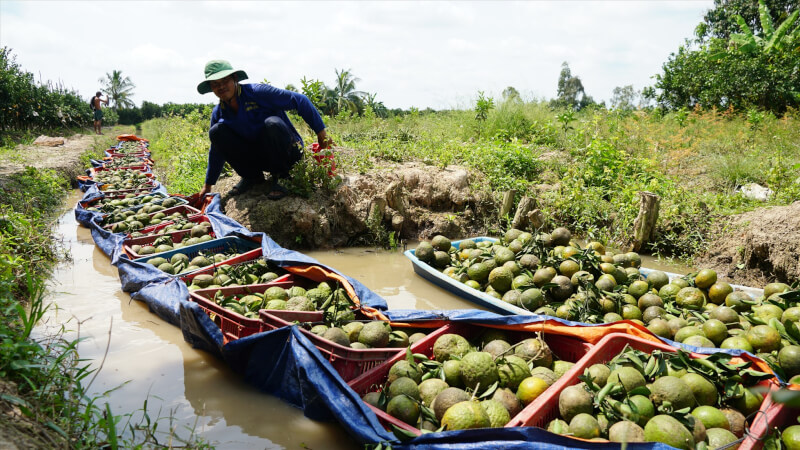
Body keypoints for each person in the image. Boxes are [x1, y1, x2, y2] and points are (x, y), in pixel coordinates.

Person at [196, 60, 333, 199]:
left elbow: (301, 100)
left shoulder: (257, 92)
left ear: (235, 79)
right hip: (260, 158)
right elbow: (217, 149)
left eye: (225, 81)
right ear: (211, 88)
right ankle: (252, 177)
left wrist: (322, 134)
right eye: (215, 84)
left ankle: (283, 176)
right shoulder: (219, 112)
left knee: (272, 123)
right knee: (216, 132)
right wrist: (208, 184)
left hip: (287, 153)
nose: (221, 87)